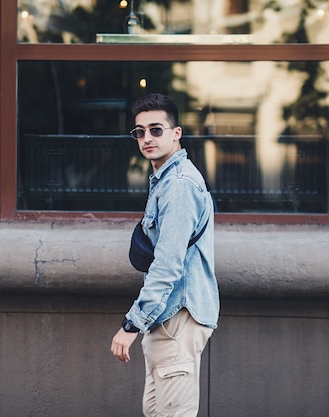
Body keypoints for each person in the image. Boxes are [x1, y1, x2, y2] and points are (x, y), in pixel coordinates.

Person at [111, 93, 220, 417]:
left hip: (178, 317)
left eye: (156, 129)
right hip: (166, 317)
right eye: (139, 132)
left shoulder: (179, 185)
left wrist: (131, 325)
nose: (146, 138)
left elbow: (168, 265)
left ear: (176, 133)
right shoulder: (164, 179)